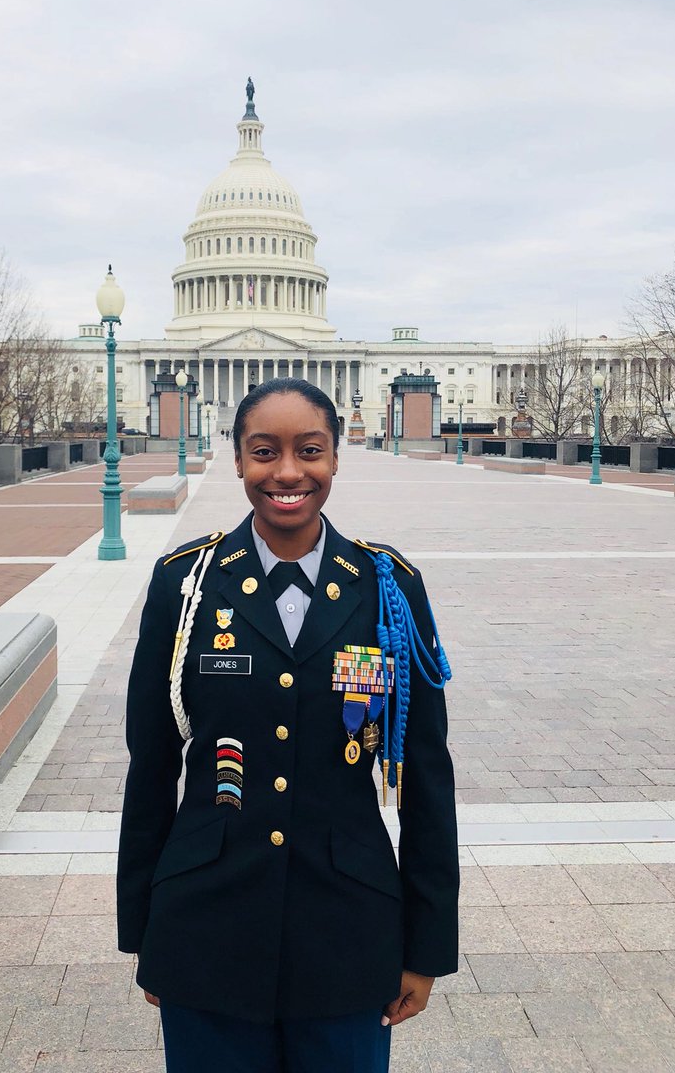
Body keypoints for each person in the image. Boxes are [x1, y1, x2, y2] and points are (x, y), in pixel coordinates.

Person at [117, 378, 458, 1073]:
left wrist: (426, 948)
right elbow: (150, 768)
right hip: (206, 927)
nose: (288, 473)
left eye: (309, 450)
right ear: (238, 461)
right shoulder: (186, 583)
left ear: (335, 458)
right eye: (264, 451)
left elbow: (427, 778)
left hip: (349, 932)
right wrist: (146, 934)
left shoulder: (388, 588)